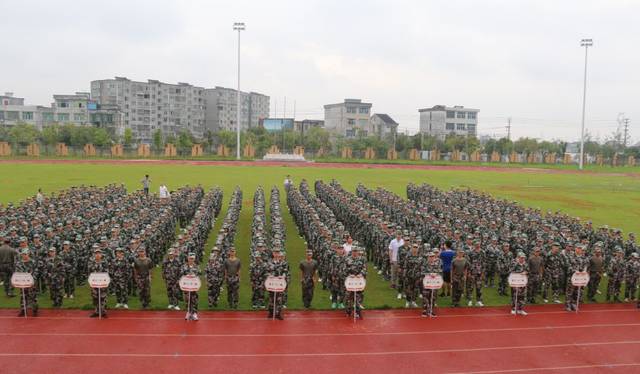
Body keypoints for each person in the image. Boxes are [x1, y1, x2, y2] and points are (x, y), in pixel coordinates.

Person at [565, 244, 590, 312]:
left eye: (580, 249)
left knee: (577, 291)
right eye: (578, 248)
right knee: (570, 291)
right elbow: (568, 265)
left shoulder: (583, 257)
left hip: (580, 277)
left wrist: (585, 270)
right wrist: (575, 271)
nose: (580, 250)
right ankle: (568, 305)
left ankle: (574, 304)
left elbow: (586, 265)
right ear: (575, 249)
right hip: (572, 276)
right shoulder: (570, 256)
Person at [345, 247, 367, 319]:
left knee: (358, 297)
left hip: (359, 280)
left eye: (356, 251)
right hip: (350, 281)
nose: (355, 252)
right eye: (353, 251)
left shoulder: (362, 259)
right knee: (349, 296)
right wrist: (349, 274)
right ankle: (348, 311)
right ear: (352, 252)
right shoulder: (347, 259)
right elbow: (344, 269)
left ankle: (358, 312)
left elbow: (365, 268)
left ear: (358, 252)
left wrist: (361, 273)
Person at [15, 248, 38, 317]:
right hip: (22, 283)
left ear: (28, 254)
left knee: (32, 296)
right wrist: (19, 281)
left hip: (31, 283)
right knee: (23, 296)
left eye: (25, 254)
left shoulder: (33, 262)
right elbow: (17, 273)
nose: (24, 256)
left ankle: (34, 310)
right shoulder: (19, 263)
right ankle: (23, 310)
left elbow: (36, 271)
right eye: (23, 254)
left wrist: (32, 280)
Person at [266, 250, 288, 320]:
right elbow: (266, 271)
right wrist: (269, 275)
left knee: (279, 298)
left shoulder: (283, 263)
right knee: (271, 298)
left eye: (278, 253)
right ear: (273, 254)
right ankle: (271, 312)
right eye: (275, 253)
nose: (276, 254)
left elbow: (285, 271)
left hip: (279, 283)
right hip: (272, 283)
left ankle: (278, 313)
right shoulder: (269, 262)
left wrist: (283, 276)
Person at [87, 248, 108, 318]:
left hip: (103, 282)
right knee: (95, 297)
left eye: (99, 253)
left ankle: (103, 311)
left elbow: (107, 272)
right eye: (96, 254)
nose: (97, 255)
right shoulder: (91, 262)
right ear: (94, 255)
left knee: (103, 297)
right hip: (94, 282)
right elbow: (89, 272)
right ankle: (96, 311)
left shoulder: (104, 262)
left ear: (101, 255)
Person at [403, 243, 425, 308]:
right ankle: (407, 301)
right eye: (414, 247)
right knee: (408, 289)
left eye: (416, 247)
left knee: (416, 289)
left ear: (418, 249)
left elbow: (422, 267)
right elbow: (405, 266)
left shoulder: (421, 257)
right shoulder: (408, 256)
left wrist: (422, 276)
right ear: (411, 248)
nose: (415, 249)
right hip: (409, 275)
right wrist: (404, 275)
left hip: (417, 276)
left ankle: (413, 301)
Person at [421, 251, 442, 317]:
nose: (431, 258)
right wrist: (429, 274)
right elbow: (422, 272)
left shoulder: (436, 264)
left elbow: (440, 272)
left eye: (433, 256)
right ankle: (424, 311)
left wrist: (436, 274)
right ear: (428, 257)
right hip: (426, 283)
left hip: (434, 284)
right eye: (430, 257)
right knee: (425, 297)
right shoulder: (424, 264)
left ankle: (431, 310)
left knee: (433, 297)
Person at [181, 253, 202, 321]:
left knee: (194, 299)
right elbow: (181, 275)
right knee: (187, 299)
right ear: (188, 259)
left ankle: (194, 313)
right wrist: (187, 276)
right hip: (186, 286)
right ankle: (188, 312)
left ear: (194, 259)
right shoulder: (184, 266)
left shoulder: (197, 266)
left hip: (194, 286)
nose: (191, 260)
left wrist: (194, 276)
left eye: (192, 259)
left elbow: (199, 274)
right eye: (190, 258)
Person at [466, 241, 485, 307]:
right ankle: (470, 300)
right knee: (470, 287)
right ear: (474, 244)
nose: (477, 245)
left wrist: (483, 272)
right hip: (472, 272)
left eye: (478, 244)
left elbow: (484, 263)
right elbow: (468, 263)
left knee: (479, 287)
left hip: (479, 273)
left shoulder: (482, 252)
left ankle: (478, 301)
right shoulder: (470, 252)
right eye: (476, 244)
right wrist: (468, 272)